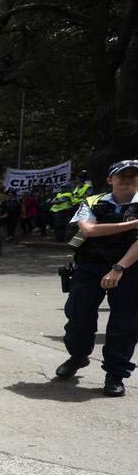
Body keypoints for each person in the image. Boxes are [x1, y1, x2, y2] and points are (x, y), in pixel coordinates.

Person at [56, 159, 138, 397]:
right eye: (122, 175)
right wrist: (134, 224)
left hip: (129, 269)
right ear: (110, 179)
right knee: (78, 318)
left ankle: (115, 375)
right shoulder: (92, 201)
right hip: (90, 266)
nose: (127, 179)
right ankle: (78, 356)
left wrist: (118, 268)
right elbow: (89, 230)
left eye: (133, 175)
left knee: (124, 325)